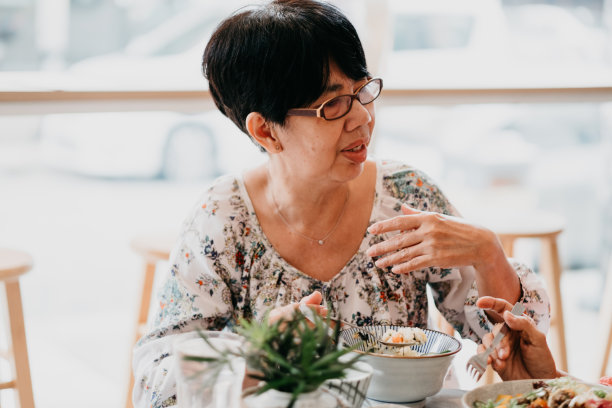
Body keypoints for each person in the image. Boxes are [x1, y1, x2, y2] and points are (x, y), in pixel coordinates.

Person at [132, 1, 551, 406]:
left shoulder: (405, 196)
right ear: (266, 131)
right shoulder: (223, 220)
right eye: (332, 104)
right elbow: (159, 373)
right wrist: (258, 359)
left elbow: (503, 344)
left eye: (362, 91)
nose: (363, 118)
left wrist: (489, 254)